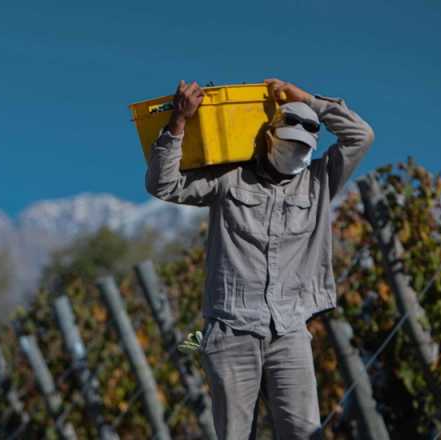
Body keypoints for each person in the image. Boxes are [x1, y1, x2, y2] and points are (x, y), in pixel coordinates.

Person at [145, 78, 374, 439]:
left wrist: (309, 100)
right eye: (290, 143)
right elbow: (164, 185)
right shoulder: (231, 178)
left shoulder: (320, 181)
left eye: (304, 148)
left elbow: (361, 135)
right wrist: (178, 123)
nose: (296, 153)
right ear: (270, 137)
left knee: (305, 434)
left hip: (289, 331)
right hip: (231, 329)